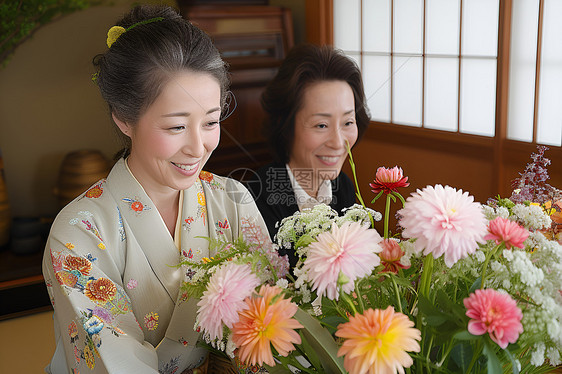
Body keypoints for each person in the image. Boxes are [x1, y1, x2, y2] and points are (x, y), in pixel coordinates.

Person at [42, 5, 271, 373]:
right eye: (176, 127)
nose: (198, 147)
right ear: (124, 118)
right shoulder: (78, 232)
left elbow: (267, 325)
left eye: (211, 121)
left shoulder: (233, 200)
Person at [245, 44, 370, 268]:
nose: (338, 141)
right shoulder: (256, 197)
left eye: (348, 122)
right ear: (286, 126)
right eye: (321, 125)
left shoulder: (344, 187)